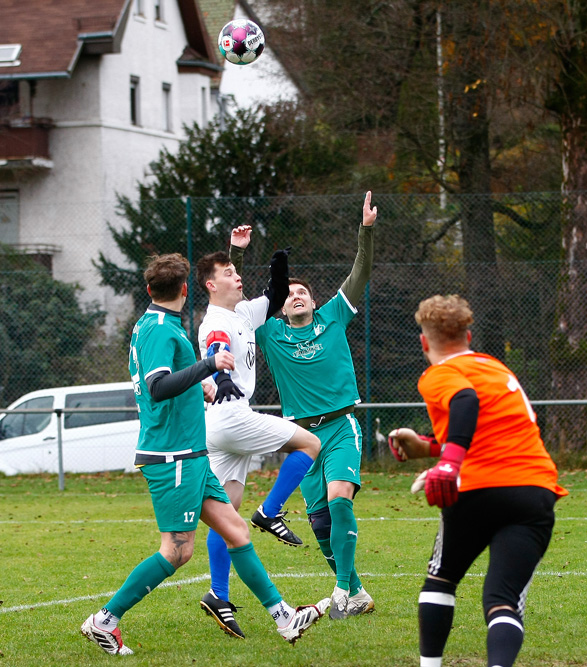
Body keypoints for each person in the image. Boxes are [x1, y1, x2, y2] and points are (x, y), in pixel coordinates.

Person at [80, 253, 327, 656]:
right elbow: (158, 386)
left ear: (148, 290)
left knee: (236, 531)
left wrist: (201, 384)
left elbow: (168, 384)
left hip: (190, 452)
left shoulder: (151, 324)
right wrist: (208, 366)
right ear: (184, 290)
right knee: (177, 551)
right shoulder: (161, 330)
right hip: (171, 456)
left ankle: (284, 617)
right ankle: (103, 622)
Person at [387, 294, 568, 667]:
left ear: (424, 342)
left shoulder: (437, 374)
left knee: (441, 581)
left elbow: (465, 402)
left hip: (475, 488)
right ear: (469, 336)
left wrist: (449, 464)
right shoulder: (496, 368)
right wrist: (426, 448)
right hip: (533, 490)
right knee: (502, 600)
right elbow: (488, 428)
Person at [194, 225, 323, 639]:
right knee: (310, 442)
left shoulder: (243, 313)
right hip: (232, 417)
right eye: (229, 271)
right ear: (211, 285)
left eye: (237, 269)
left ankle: (218, 593)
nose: (237, 275)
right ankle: (270, 510)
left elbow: (276, 292)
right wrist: (218, 367)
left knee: (225, 516)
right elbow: (215, 346)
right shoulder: (214, 320)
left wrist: (278, 266)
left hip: (221, 425)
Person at [256, 191, 378, 619]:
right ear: (280, 306)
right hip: (302, 437)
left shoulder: (333, 316)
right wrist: (237, 254)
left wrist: (365, 230)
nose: (298, 295)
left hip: (341, 426)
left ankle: (342, 589)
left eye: (303, 290)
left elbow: (360, 273)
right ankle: (358, 592)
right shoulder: (269, 334)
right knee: (321, 523)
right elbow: (236, 309)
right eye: (289, 293)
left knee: (340, 499)